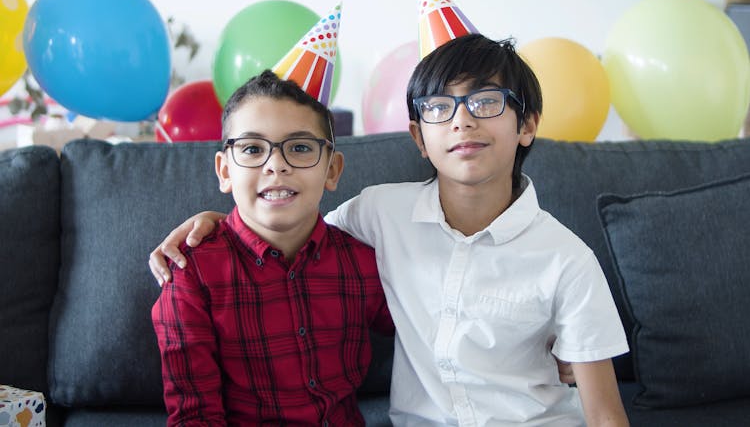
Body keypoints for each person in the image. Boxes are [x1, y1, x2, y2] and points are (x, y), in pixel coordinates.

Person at [151, 34, 629, 426]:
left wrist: (554, 343)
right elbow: (288, 231)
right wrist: (216, 224)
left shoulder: (566, 258)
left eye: (484, 102)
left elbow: (604, 410)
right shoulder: (380, 215)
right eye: (441, 107)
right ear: (419, 136)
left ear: (526, 124)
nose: (462, 120)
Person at [151, 70, 394, 426]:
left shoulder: (363, 263)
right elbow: (195, 416)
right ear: (224, 172)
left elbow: (428, 327)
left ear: (332, 170)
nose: (276, 165)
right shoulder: (192, 276)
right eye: (252, 149)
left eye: (299, 147)